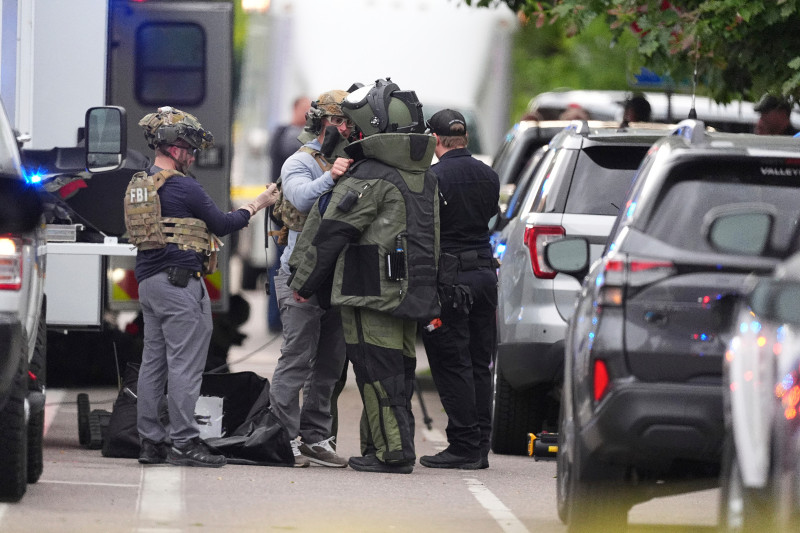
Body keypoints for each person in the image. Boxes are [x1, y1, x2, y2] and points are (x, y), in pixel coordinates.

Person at [289, 78, 440, 474]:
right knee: (397, 372)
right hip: (408, 288)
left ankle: (393, 454)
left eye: (350, 124)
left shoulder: (368, 175)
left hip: (369, 290)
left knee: (377, 372)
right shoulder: (422, 174)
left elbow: (332, 233)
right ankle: (379, 447)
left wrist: (303, 284)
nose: (344, 130)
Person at [129, 107, 279, 467]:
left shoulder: (142, 182)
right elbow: (223, 224)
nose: (194, 156)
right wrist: (260, 203)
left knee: (153, 364)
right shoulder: (183, 185)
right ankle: (184, 441)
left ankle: (150, 442)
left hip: (149, 284)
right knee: (185, 366)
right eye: (190, 149)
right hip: (179, 287)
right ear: (174, 147)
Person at [269, 90, 352, 468]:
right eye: (339, 120)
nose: (345, 128)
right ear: (322, 122)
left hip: (335, 278)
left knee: (330, 365)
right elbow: (301, 199)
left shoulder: (350, 159)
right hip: (299, 275)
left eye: (348, 122)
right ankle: (281, 438)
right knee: (296, 361)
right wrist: (331, 177)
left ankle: (315, 437)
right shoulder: (300, 161)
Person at [419, 109, 499, 470]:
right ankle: (480, 444)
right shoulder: (489, 175)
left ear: (435, 140)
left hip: (452, 280)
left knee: (452, 362)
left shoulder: (433, 178)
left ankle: (464, 445)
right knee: (480, 362)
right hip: (485, 273)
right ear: (463, 137)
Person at [266, 96, 312, 333]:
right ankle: (277, 319)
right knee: (283, 265)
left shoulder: (281, 133)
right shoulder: (289, 134)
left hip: (285, 213)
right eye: (306, 109)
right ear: (295, 109)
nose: (309, 114)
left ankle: (278, 318)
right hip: (285, 215)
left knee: (282, 264)